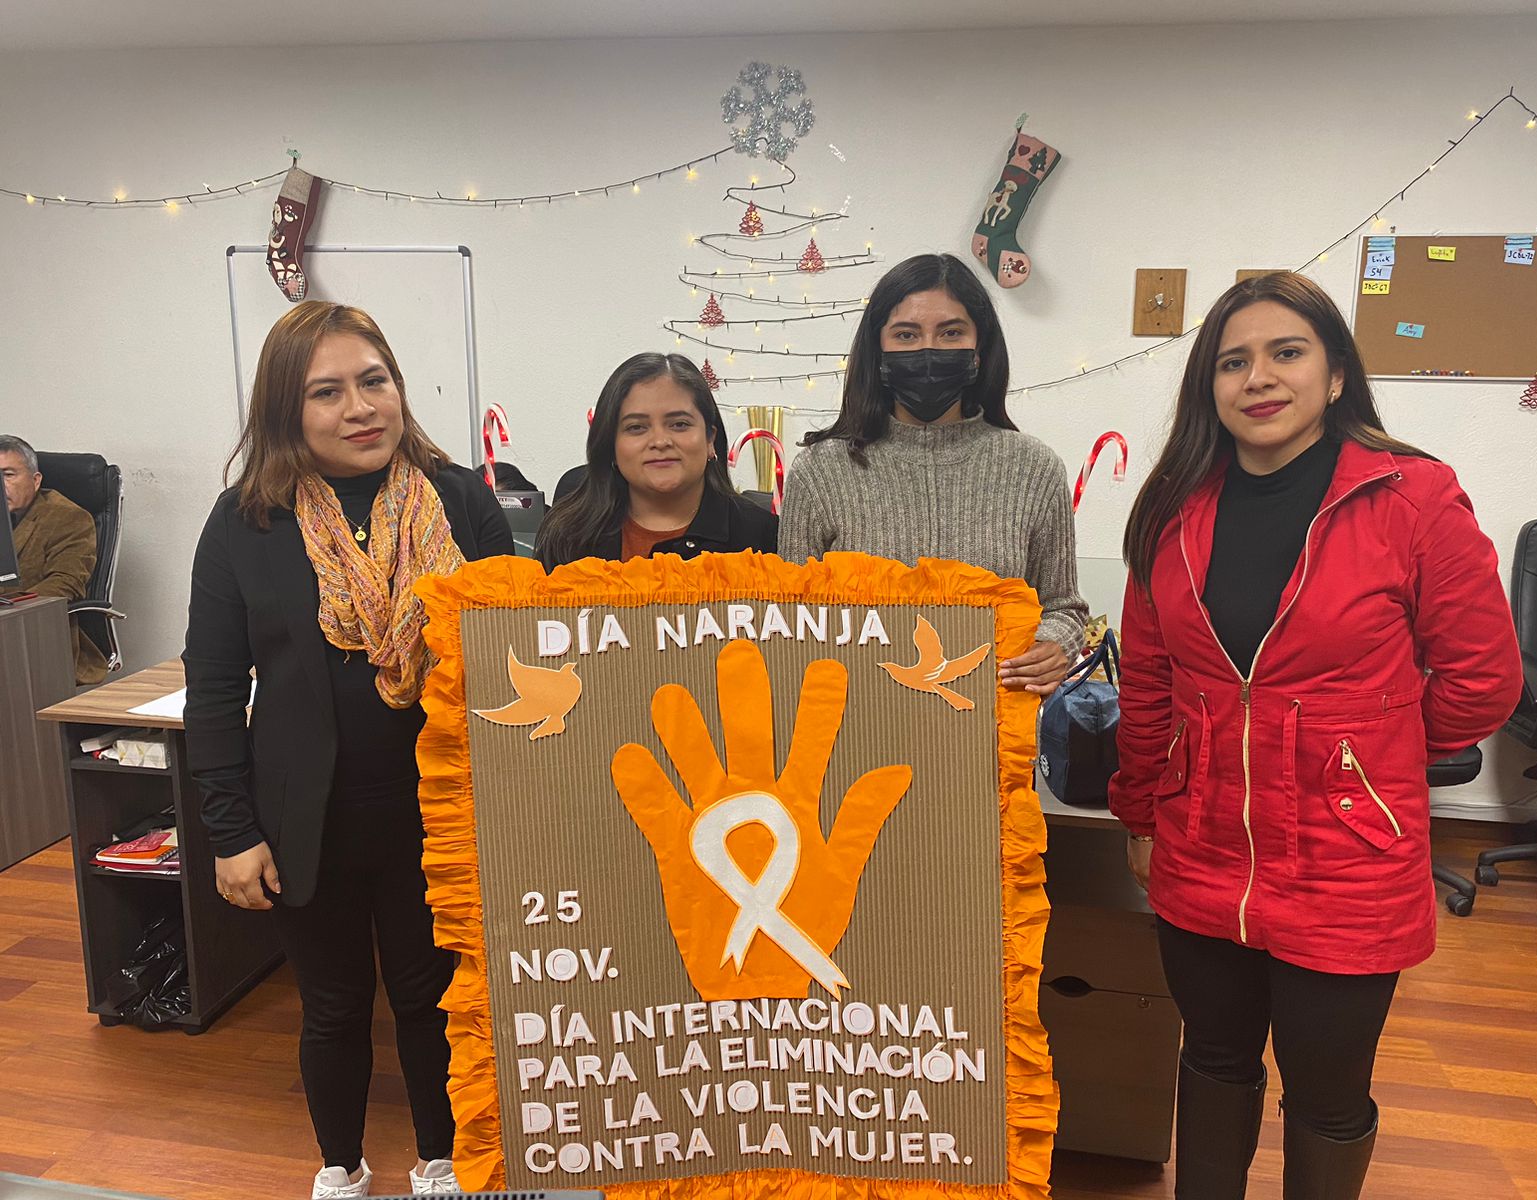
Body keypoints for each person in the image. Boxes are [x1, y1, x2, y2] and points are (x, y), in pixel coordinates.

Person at [1109, 272, 1521, 1198]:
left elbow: (1483, 681)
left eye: (1286, 353)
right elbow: (1149, 683)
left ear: (1335, 375)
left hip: (1348, 859)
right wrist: (1139, 812)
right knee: (1213, 1059)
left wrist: (1365, 755)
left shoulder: (1413, 498)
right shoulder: (1173, 506)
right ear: (1209, 386)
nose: (1258, 377)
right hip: (1200, 842)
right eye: (1232, 362)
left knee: (1328, 1094)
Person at [183, 303, 513, 1199]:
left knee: (430, 1000)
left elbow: (514, 657)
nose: (360, 407)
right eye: (326, 392)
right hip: (308, 819)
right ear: (285, 411)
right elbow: (214, 689)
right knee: (331, 1008)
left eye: (375, 381)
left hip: (440, 813)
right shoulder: (246, 523)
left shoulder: (460, 501)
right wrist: (230, 832)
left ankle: (441, 1162)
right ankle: (342, 1167)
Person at [779, 253, 1087, 693]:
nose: (929, 350)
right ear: (878, 350)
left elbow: (1063, 607)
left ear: (979, 349)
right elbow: (789, 619)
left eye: (951, 332)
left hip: (992, 719)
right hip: (855, 719)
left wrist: (1055, 645)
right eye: (906, 334)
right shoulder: (820, 473)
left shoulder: (1033, 469)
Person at [537, 351, 777, 566]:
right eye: (636, 427)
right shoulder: (567, 536)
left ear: (709, 439)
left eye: (679, 424)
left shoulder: (762, 538)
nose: (660, 441)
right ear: (611, 445)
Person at [0, 434, 107, 683]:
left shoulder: (67, 518)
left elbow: (65, 584)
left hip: (37, 637)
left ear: (36, 480)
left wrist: (8, 609)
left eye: (8, 475)